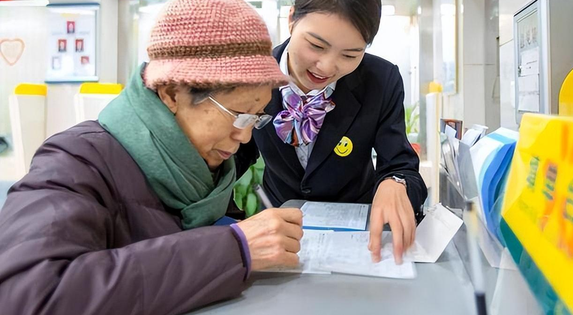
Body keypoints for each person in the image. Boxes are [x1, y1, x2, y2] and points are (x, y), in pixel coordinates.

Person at [0, 0, 303, 314]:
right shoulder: (74, 162)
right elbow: (28, 296)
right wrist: (232, 249)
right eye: (238, 115)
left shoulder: (202, 166)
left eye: (256, 117)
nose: (245, 137)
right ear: (171, 94)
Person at [247, 0, 427, 265]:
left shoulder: (381, 80)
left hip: (358, 235)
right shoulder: (254, 73)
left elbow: (401, 165)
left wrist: (395, 183)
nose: (327, 67)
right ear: (292, 18)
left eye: (350, 55)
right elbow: (234, 155)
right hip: (278, 230)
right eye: (317, 46)